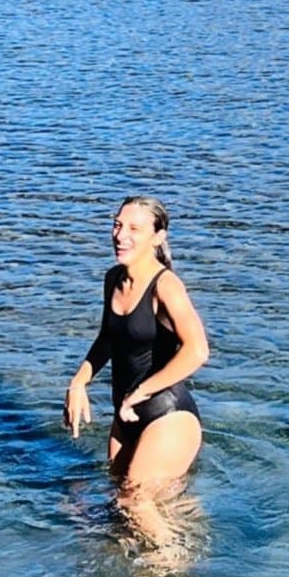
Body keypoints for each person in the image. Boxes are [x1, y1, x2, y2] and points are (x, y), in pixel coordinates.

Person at [64, 196, 208, 489]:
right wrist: (79, 383)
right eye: (117, 225)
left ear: (158, 237)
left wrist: (141, 392)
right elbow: (108, 339)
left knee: (134, 501)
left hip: (167, 414)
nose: (120, 236)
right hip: (125, 416)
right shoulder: (113, 279)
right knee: (121, 503)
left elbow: (197, 350)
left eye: (134, 229)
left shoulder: (166, 286)